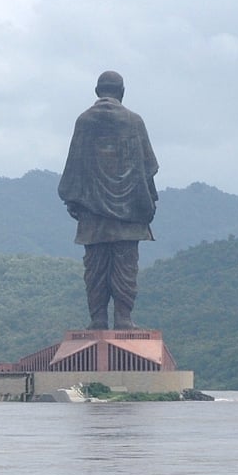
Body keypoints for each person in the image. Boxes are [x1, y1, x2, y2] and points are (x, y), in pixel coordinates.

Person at [58, 71, 159, 330]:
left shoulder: (84, 121)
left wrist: (74, 201)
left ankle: (98, 318)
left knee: (95, 269)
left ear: (97, 91)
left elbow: (74, 167)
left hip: (92, 214)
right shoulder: (134, 121)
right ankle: (123, 318)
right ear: (122, 91)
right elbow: (147, 167)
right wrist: (149, 202)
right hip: (129, 214)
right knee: (125, 267)